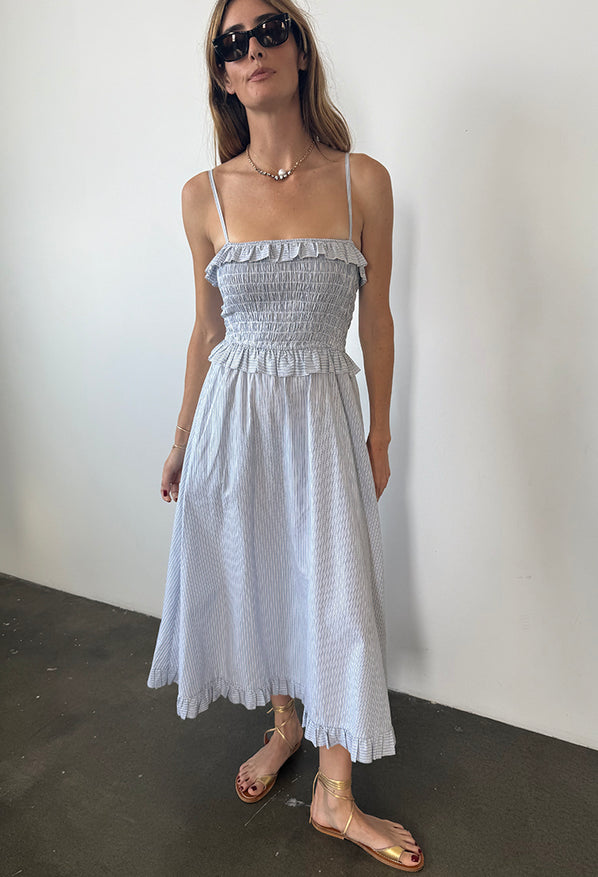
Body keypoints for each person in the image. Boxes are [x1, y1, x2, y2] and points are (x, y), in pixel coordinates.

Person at [147, 0, 424, 870]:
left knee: (336, 591)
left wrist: (382, 433)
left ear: (300, 53)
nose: (253, 50)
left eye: (271, 31)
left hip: (320, 409)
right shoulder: (203, 196)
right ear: (223, 74)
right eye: (234, 43)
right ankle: (285, 725)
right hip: (235, 416)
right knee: (264, 572)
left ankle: (335, 796)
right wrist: (183, 433)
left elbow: (375, 322)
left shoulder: (361, 180)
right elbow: (207, 330)